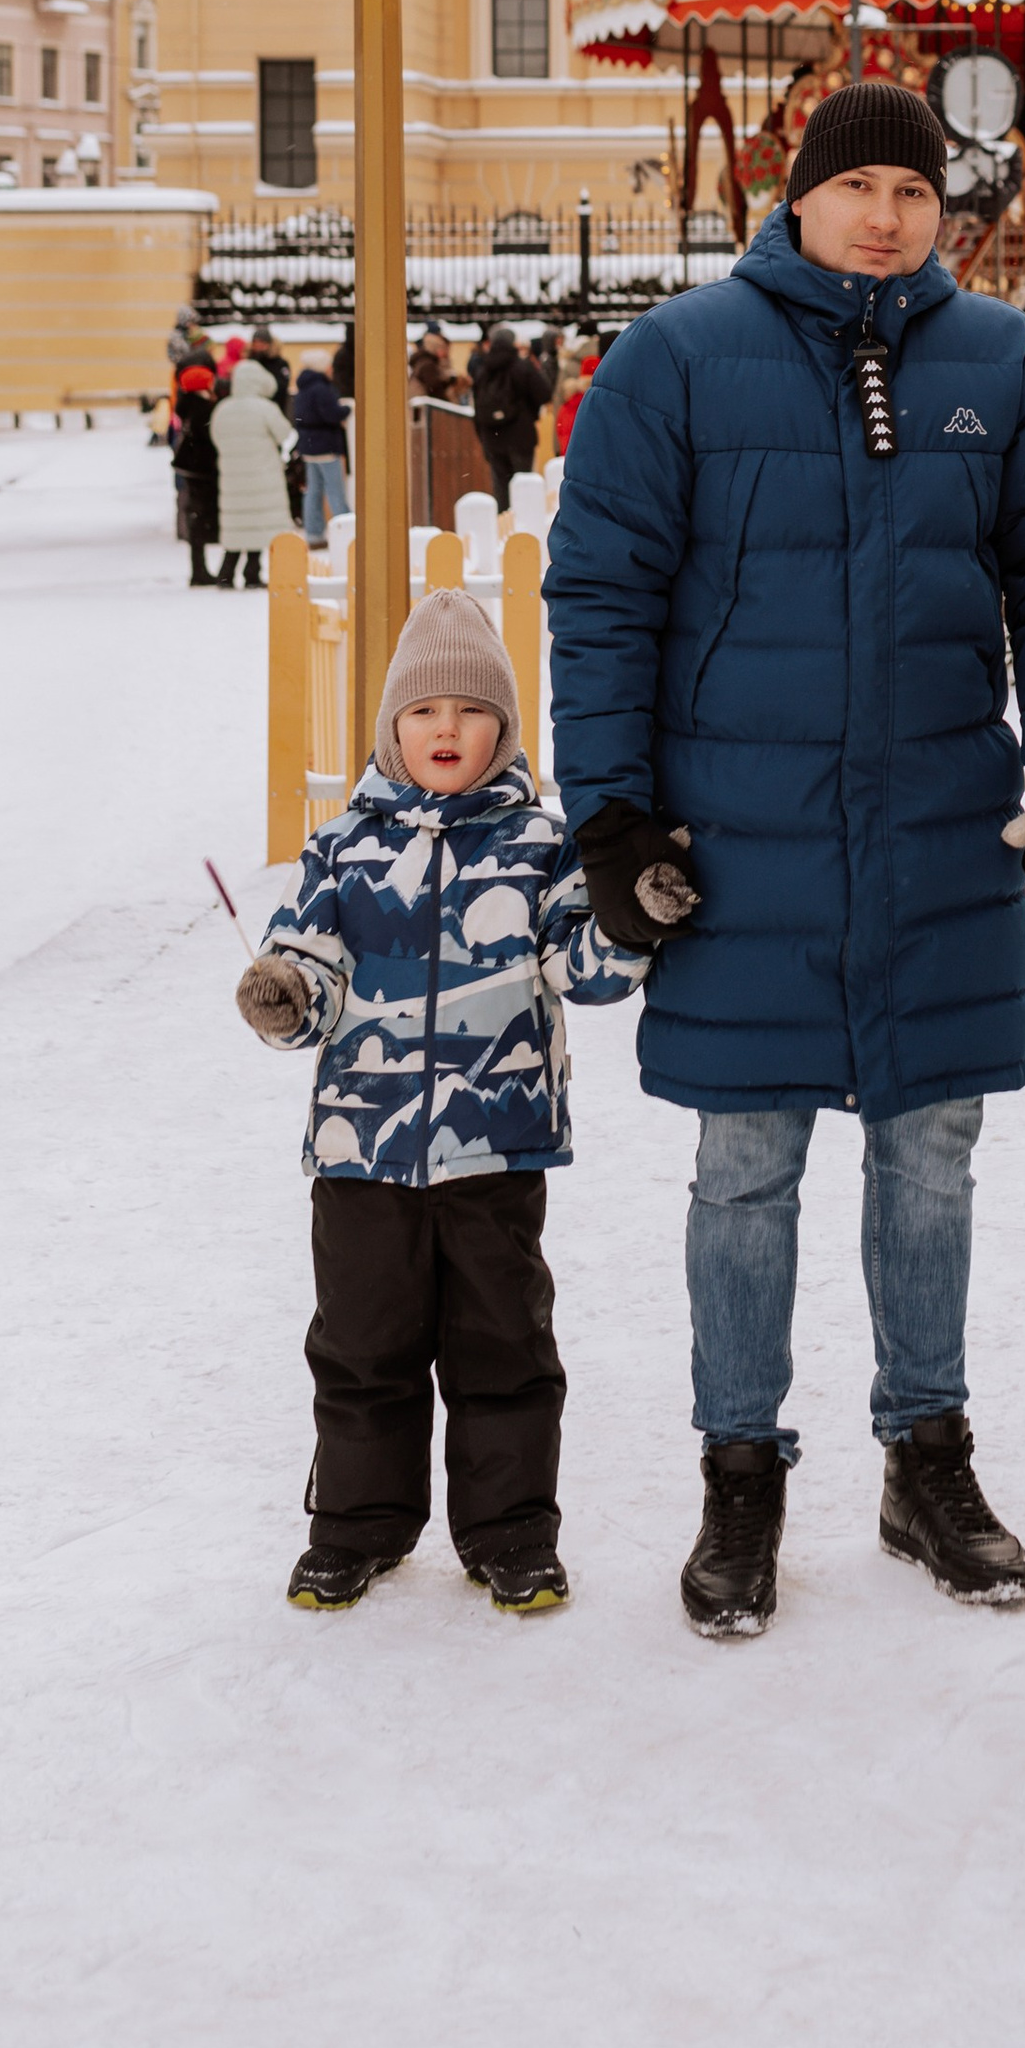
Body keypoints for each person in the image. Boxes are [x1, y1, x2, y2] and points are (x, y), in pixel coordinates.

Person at [545, 80, 1025, 1640]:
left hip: (939, 829)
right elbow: (601, 591)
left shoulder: (999, 362)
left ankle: (924, 1451)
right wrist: (610, 811)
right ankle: (740, 1470)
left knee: (931, 1158)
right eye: (858, 183)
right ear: (795, 196)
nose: (887, 213)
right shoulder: (678, 358)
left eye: (916, 188)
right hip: (740, 843)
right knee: (745, 1169)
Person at [231, 591, 655, 1614]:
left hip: (493, 1150)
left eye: (470, 711)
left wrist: (633, 918)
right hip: (360, 1153)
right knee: (362, 1347)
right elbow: (308, 971)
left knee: (501, 1348)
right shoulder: (343, 850)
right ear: (392, 730)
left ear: (503, 729)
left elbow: (580, 967)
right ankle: (356, 1527)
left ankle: (510, 1534)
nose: (446, 730)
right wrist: (280, 999)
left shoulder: (538, 845)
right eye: (424, 713)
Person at [209, 354, 295, 587]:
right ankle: (252, 572)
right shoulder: (265, 408)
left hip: (233, 478)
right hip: (263, 475)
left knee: (238, 524)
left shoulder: (222, 409)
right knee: (258, 522)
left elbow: (215, 437)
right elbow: (285, 433)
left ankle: (226, 573)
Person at [470, 322, 552, 507]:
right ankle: (524, 530)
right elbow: (544, 394)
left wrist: (483, 438)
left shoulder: (482, 370)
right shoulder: (522, 367)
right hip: (520, 436)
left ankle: (503, 531)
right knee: (524, 489)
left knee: (501, 490)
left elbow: (477, 407)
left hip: (493, 439)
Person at [293, 345, 351, 546]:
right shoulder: (321, 388)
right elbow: (331, 414)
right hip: (326, 445)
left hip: (309, 446)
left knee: (313, 492)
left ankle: (314, 534)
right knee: (335, 491)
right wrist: (345, 410)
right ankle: (346, 532)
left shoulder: (304, 387)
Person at [172, 363, 221, 585]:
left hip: (191, 467)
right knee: (200, 518)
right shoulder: (203, 408)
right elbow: (209, 439)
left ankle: (198, 569)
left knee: (196, 517)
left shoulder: (188, 405)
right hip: (202, 469)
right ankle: (200, 571)